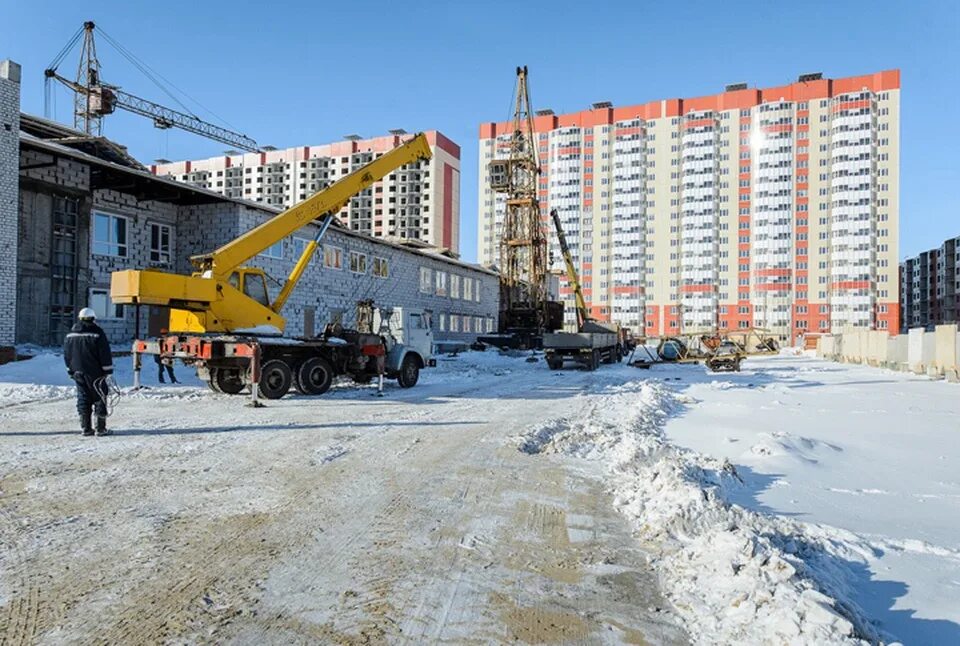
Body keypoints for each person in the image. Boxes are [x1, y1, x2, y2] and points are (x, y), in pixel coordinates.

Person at [63, 307, 114, 436]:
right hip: (95, 372)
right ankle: (100, 428)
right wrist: (107, 370)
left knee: (83, 398)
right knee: (100, 397)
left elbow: (67, 355)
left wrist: (70, 371)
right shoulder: (97, 333)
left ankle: (85, 428)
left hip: (77, 372)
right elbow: (104, 353)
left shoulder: (70, 335)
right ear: (93, 318)